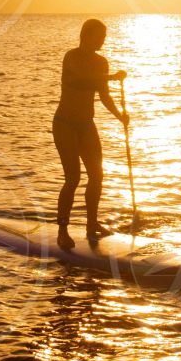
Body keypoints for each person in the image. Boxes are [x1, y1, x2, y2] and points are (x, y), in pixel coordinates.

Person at [52, 18, 127, 249]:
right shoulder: (71, 57)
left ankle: (91, 224)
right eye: (100, 36)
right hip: (65, 124)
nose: (103, 40)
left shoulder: (101, 62)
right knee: (73, 178)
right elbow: (82, 81)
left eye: (104, 36)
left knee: (97, 175)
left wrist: (120, 115)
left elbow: (103, 95)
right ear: (87, 35)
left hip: (86, 125)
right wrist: (112, 77)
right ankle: (62, 230)